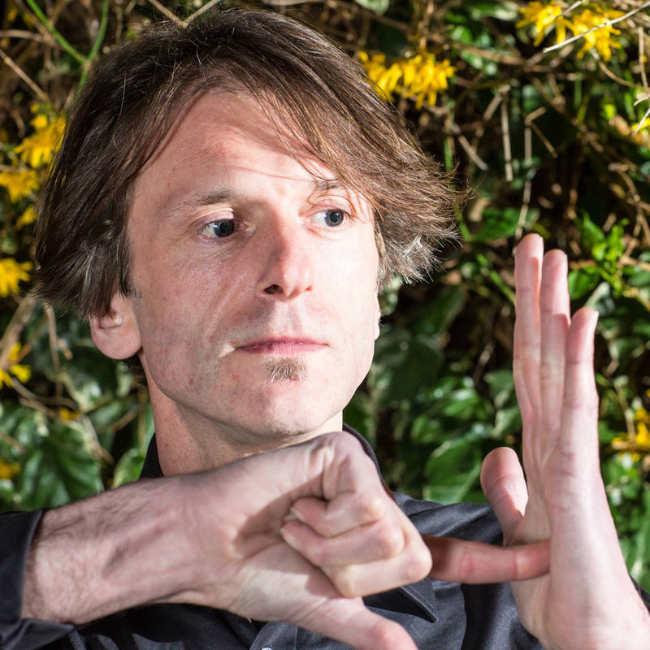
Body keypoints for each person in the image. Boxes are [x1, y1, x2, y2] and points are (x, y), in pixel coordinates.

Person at [1, 8, 649, 650]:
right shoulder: (41, 611)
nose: (290, 271)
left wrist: (608, 640)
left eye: (331, 215)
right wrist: (137, 550)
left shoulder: (524, 597)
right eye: (221, 226)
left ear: (378, 283)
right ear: (110, 304)